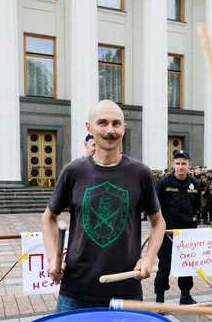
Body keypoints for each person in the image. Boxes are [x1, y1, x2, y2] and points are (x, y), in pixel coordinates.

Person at [42, 100, 166, 311]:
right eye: (102, 123)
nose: (110, 130)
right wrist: (53, 257)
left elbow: (158, 222)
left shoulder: (140, 173)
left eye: (116, 124)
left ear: (123, 129)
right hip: (75, 290)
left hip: (126, 289)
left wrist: (149, 257)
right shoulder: (73, 171)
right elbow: (48, 217)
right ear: (89, 127)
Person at [155, 150, 201, 305]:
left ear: (189, 165)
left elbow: (196, 206)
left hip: (187, 231)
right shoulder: (164, 183)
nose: (180, 167)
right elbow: (156, 207)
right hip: (168, 231)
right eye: (177, 163)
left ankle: (185, 295)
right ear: (173, 165)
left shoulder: (194, 184)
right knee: (164, 264)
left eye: (183, 164)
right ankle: (159, 299)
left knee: (187, 265)